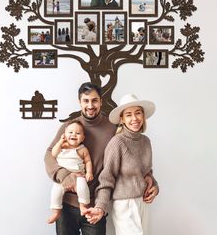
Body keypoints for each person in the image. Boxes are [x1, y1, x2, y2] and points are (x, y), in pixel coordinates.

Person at [44, 82, 117, 235]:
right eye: (86, 101)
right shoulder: (69, 127)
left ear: (101, 101)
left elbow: (126, 155)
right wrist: (64, 175)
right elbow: (49, 155)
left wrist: (147, 175)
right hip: (66, 203)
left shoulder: (113, 128)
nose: (90, 105)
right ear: (80, 102)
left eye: (94, 100)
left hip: (95, 205)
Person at [84, 94, 159, 235]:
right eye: (129, 115)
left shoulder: (145, 141)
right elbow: (106, 179)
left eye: (138, 113)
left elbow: (146, 172)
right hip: (125, 205)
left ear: (143, 116)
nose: (134, 119)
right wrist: (100, 207)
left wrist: (154, 186)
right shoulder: (118, 143)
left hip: (142, 203)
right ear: (122, 119)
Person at [47, 120, 93, 224]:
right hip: (62, 178)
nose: (74, 135)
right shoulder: (62, 146)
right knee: (56, 192)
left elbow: (88, 161)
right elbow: (53, 154)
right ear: (64, 134)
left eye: (78, 133)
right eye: (70, 132)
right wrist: (60, 142)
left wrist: (89, 172)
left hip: (79, 176)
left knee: (83, 188)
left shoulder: (83, 149)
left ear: (83, 137)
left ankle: (83, 206)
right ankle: (56, 211)